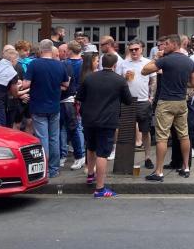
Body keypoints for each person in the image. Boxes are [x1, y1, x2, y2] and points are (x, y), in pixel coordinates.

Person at [141, 35, 194, 181]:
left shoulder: (165, 59)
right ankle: (186, 168)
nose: (163, 47)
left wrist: (157, 57)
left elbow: (144, 70)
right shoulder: (189, 61)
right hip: (181, 102)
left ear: (174, 44)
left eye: (166, 44)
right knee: (184, 135)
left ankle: (159, 171)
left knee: (162, 137)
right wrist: (180, 82)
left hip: (166, 102)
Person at [77, 51, 133, 198]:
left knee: (90, 147)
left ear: (102, 63)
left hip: (89, 119)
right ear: (115, 65)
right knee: (103, 153)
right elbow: (128, 100)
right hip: (107, 120)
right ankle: (100, 188)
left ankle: (90, 175)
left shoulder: (89, 78)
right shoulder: (119, 80)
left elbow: (80, 97)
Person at [25, 39, 70, 178]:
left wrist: (20, 85)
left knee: (42, 137)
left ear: (40, 50)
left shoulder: (34, 64)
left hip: (38, 105)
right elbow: (66, 84)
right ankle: (54, 169)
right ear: (52, 50)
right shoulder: (59, 65)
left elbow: (27, 84)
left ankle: (44, 168)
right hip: (54, 105)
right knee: (54, 138)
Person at [118, 40, 154, 168]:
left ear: (142, 49)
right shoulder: (123, 63)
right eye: (131, 49)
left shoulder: (148, 62)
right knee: (126, 131)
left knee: (145, 130)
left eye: (136, 49)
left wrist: (152, 97)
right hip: (128, 101)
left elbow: (153, 80)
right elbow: (118, 82)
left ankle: (148, 157)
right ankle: (125, 160)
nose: (134, 51)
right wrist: (124, 79)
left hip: (143, 101)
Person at [61, 41, 86, 171]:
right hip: (82, 97)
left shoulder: (66, 63)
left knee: (70, 127)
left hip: (69, 98)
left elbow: (65, 83)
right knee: (78, 126)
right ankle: (80, 153)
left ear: (69, 50)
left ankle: (75, 155)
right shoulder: (84, 63)